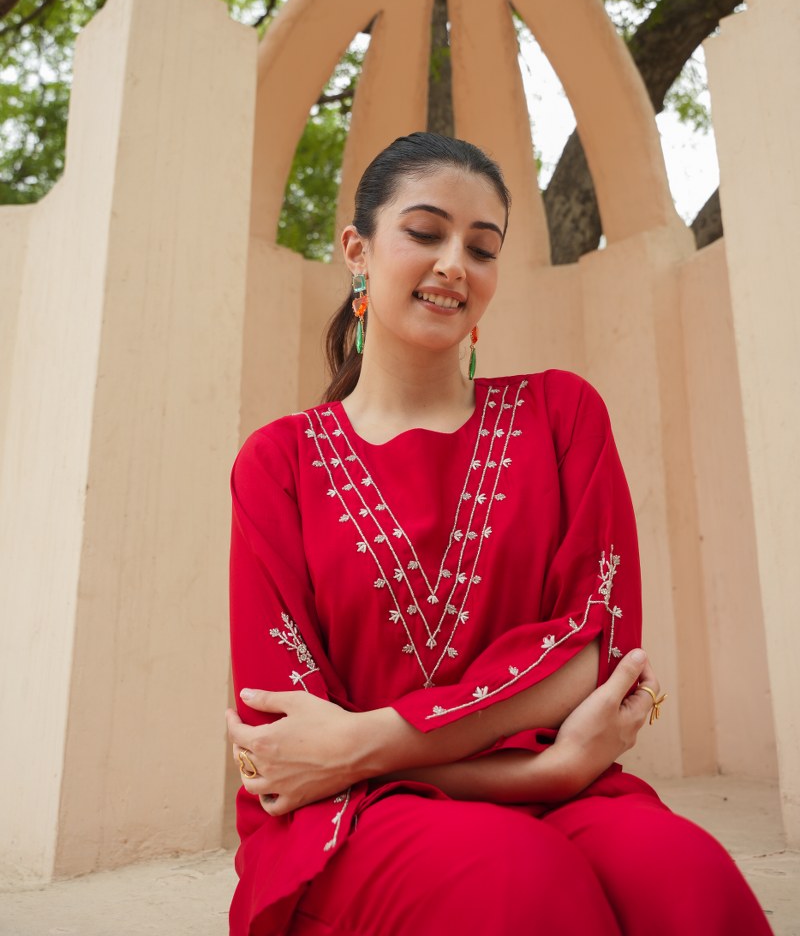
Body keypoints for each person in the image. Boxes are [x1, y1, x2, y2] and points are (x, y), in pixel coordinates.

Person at [225, 131, 772, 936]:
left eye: (482, 248)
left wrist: (378, 741)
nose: (455, 264)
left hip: (554, 789)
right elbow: (293, 749)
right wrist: (544, 760)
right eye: (425, 232)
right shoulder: (281, 462)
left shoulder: (561, 416)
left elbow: (591, 662)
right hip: (347, 817)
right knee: (519, 883)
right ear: (357, 248)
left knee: (685, 879)